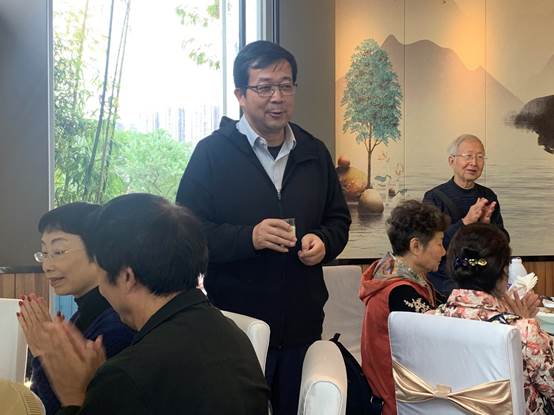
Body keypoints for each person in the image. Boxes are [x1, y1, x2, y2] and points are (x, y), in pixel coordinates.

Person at [176, 40, 351, 414]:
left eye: (286, 86)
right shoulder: (212, 153)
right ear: (240, 95)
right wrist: (249, 238)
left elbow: (338, 220)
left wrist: (323, 241)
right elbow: (187, 233)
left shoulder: (314, 152)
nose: (277, 97)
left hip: (303, 327)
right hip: (236, 327)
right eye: (264, 87)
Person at [38, 193, 269, 415]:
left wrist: (76, 397)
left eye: (100, 269)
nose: (101, 286)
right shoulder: (232, 334)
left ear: (126, 277)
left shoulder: (127, 374)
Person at [17, 203, 134, 415]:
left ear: (99, 251)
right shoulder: (82, 316)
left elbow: (59, 407)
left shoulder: (117, 327)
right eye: (44, 253)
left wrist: (44, 353)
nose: (47, 266)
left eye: (58, 252)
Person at [431, 223, 553, 415]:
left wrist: (518, 320)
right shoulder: (523, 332)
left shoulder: (431, 320)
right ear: (503, 273)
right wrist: (523, 324)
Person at [359, 200, 446, 415]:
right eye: (440, 243)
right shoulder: (399, 292)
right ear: (416, 246)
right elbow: (441, 336)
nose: (444, 252)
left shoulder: (397, 277)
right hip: (399, 401)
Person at [423, 134, 508, 298]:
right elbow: (429, 245)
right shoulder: (434, 197)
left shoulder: (488, 196)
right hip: (444, 283)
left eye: (480, 157)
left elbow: (503, 241)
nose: (474, 163)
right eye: (468, 156)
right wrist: (466, 222)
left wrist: (487, 228)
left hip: (482, 282)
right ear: (451, 161)